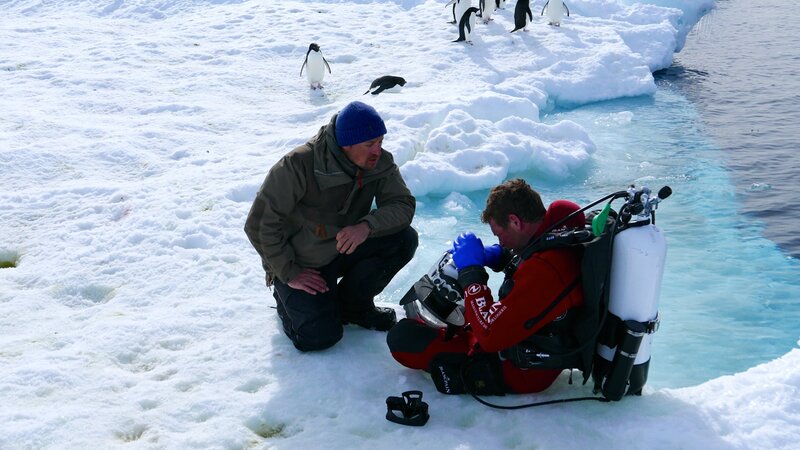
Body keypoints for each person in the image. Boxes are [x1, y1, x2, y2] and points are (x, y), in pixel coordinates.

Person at [245, 101, 418, 352]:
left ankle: (354, 307)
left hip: (343, 247)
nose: (377, 150)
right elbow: (259, 224)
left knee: (404, 239)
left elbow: (402, 205)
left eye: (380, 141)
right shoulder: (298, 164)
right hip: (303, 261)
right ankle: (286, 299)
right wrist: (288, 271)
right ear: (347, 144)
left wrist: (367, 226)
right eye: (370, 144)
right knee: (318, 337)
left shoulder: (378, 162)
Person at [387, 179, 585, 394]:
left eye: (499, 235)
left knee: (404, 338)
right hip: (521, 335)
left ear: (515, 221)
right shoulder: (560, 231)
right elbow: (531, 259)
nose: (501, 242)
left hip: (519, 370)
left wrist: (471, 272)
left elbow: (491, 336)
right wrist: (497, 256)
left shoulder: (545, 270)